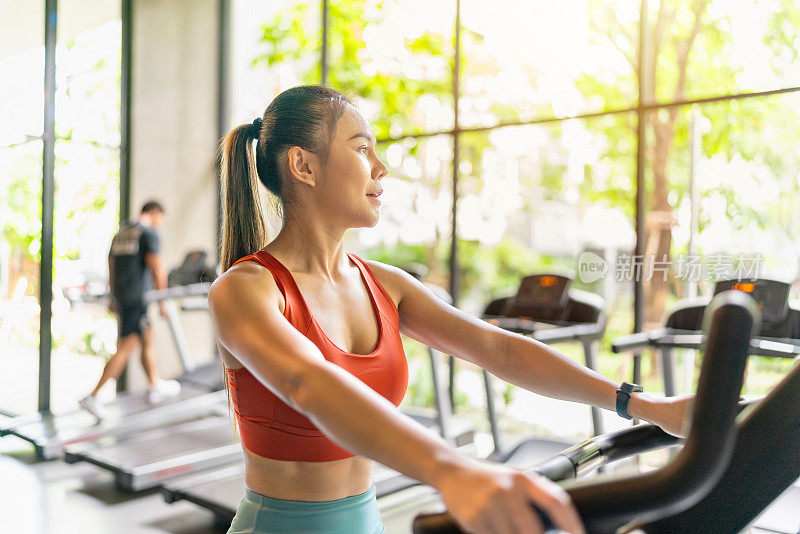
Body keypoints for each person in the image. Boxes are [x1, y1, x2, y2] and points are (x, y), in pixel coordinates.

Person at [208, 86, 693, 534]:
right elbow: (309, 383)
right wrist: (453, 471)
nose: (381, 167)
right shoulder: (244, 290)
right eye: (361, 149)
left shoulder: (387, 284)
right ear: (304, 166)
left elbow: (496, 349)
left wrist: (645, 404)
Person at [79, 200, 181, 420]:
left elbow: (111, 263)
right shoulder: (149, 234)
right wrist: (163, 301)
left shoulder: (123, 232)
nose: (159, 224)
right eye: (159, 220)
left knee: (146, 337)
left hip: (124, 298)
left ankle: (154, 383)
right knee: (126, 346)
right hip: (138, 299)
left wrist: (113, 294)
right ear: (155, 214)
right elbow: (157, 267)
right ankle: (93, 396)